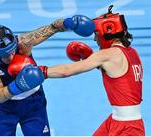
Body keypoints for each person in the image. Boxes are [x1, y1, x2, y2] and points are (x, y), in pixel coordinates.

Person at [36, 5, 145, 136]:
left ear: (108, 31)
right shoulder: (133, 53)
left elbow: (68, 70)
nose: (95, 39)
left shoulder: (108, 55)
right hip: (117, 120)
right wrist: (89, 57)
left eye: (96, 34)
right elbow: (119, 76)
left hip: (128, 128)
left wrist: (42, 71)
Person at [0, 15, 95, 136]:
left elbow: (53, 27)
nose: (11, 56)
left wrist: (68, 23)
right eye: (5, 55)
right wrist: (19, 85)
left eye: (12, 51)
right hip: (5, 108)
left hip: (33, 103)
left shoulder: (24, 42)